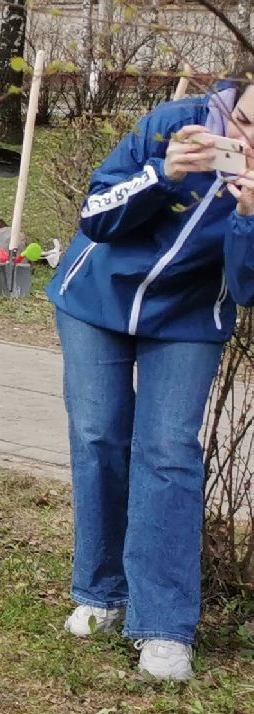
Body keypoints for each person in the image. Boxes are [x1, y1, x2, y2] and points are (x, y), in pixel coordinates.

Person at [49, 65, 253, 682]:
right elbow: (96, 213)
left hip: (190, 319)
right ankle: (100, 591)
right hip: (96, 301)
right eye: (243, 121)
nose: (243, 139)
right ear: (232, 100)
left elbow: (247, 289)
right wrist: (165, 174)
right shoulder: (172, 124)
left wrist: (248, 218)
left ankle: (164, 627)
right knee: (98, 438)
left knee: (167, 452)